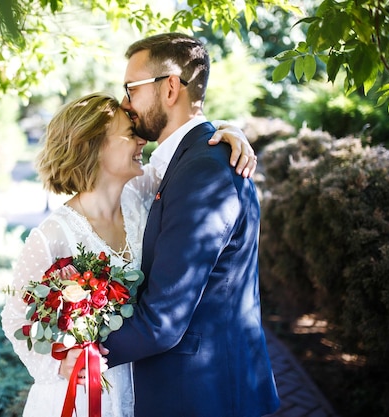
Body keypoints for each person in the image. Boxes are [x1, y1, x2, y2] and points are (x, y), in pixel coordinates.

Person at [0, 91, 257, 417]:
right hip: (82, 393)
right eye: (130, 133)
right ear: (93, 145)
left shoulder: (142, 192)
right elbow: (14, 318)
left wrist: (229, 132)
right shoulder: (50, 237)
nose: (142, 141)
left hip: (145, 381)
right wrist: (59, 364)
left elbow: (188, 157)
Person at [90, 33, 280, 417]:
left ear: (171, 87)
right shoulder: (192, 159)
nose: (126, 104)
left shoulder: (202, 173)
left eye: (130, 89)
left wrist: (77, 346)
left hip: (200, 396)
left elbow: (163, 321)